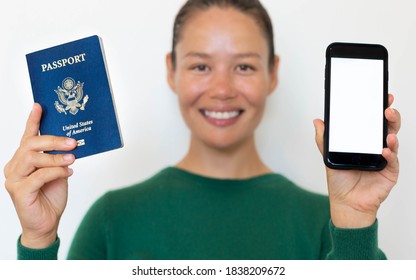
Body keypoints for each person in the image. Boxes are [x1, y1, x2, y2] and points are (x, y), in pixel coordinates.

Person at [4, 0, 400, 260]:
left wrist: (353, 219)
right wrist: (37, 241)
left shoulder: (327, 223)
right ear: (171, 71)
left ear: (272, 73)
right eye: (200, 66)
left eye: (243, 66)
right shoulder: (113, 219)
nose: (223, 90)